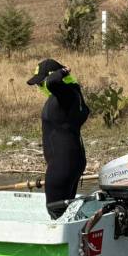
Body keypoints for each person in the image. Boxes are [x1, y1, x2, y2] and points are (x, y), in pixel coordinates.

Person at [27, 59, 90, 219]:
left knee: (55, 210)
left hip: (62, 165)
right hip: (71, 162)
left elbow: (53, 82)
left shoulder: (66, 94)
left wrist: (62, 72)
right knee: (66, 212)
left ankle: (62, 243)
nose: (40, 87)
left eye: (41, 83)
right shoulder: (70, 95)